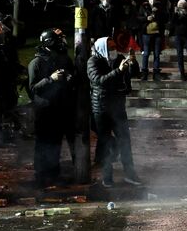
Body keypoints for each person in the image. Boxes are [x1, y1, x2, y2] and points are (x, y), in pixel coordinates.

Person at [87, 36, 142, 187]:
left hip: (118, 107)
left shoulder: (118, 58)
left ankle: (130, 174)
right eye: (110, 47)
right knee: (105, 143)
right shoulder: (93, 61)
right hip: (101, 108)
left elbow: (132, 74)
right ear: (102, 48)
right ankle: (107, 177)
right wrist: (118, 71)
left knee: (125, 141)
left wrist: (132, 62)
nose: (113, 50)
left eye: (114, 46)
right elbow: (99, 80)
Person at [28, 29, 76, 188]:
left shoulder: (60, 58)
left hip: (59, 108)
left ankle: (54, 174)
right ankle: (40, 176)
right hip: (44, 109)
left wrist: (68, 77)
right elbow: (33, 88)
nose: (60, 43)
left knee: (55, 143)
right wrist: (50, 79)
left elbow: (71, 73)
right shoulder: (36, 63)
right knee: (43, 143)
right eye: (56, 40)